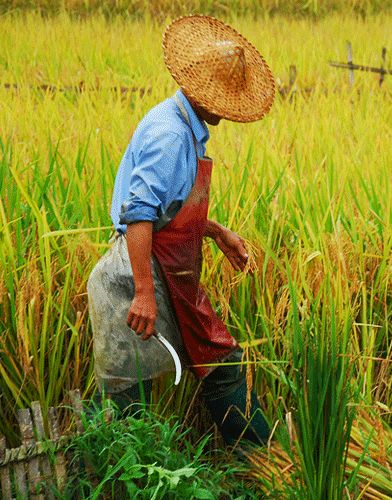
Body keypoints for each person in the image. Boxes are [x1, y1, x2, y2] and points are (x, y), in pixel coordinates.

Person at [86, 15, 276, 447]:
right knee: (129, 391)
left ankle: (264, 461)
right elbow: (138, 215)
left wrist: (215, 230)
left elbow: (169, 211)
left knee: (217, 361)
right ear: (202, 92)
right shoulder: (171, 134)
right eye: (225, 101)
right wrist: (143, 293)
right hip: (139, 274)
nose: (228, 112)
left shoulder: (187, 128)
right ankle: (116, 474)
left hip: (168, 268)